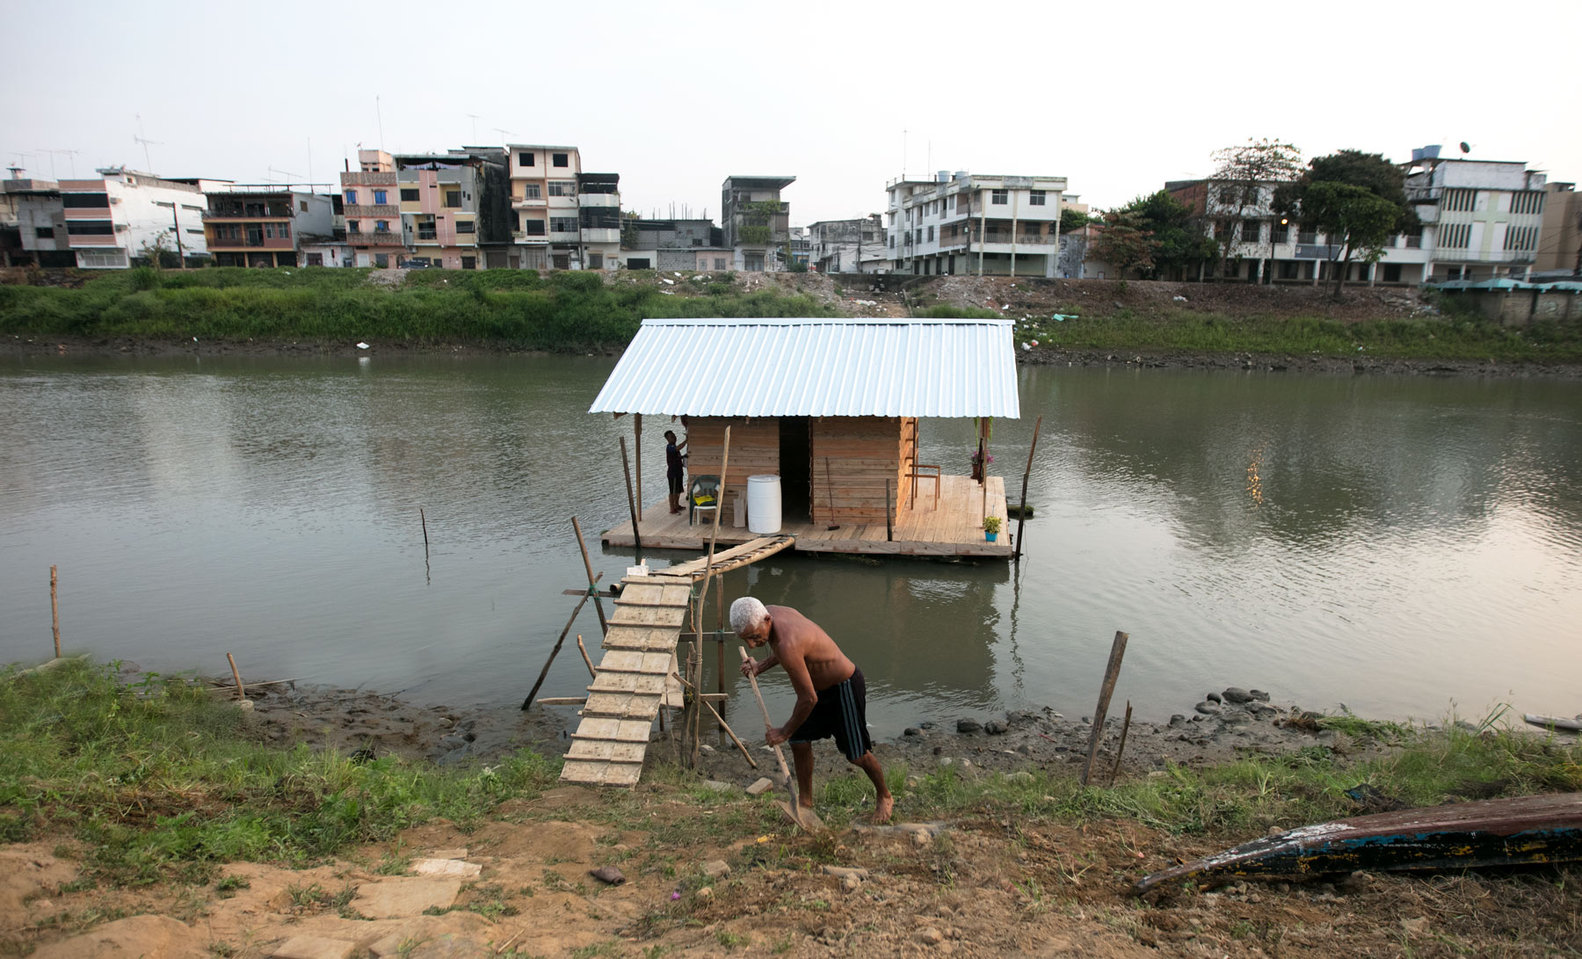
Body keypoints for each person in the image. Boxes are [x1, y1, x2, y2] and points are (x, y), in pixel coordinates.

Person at [732, 596, 893, 824]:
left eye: (755, 637)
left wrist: (783, 732)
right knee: (799, 741)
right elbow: (786, 650)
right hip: (818, 691)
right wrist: (760, 666)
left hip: (843, 688)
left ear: (767, 619)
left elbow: (807, 698)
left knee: (857, 755)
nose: (751, 646)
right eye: (746, 639)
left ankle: (885, 795)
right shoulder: (772, 613)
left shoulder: (787, 643)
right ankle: (805, 802)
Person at [664, 429, 687, 514]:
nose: (674, 438)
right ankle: (672, 508)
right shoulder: (670, 447)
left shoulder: (673, 447)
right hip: (672, 473)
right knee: (672, 491)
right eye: (671, 437)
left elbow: (676, 456)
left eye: (674, 436)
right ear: (668, 439)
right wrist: (686, 440)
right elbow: (678, 448)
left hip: (678, 471)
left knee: (678, 490)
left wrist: (683, 457)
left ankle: (677, 505)